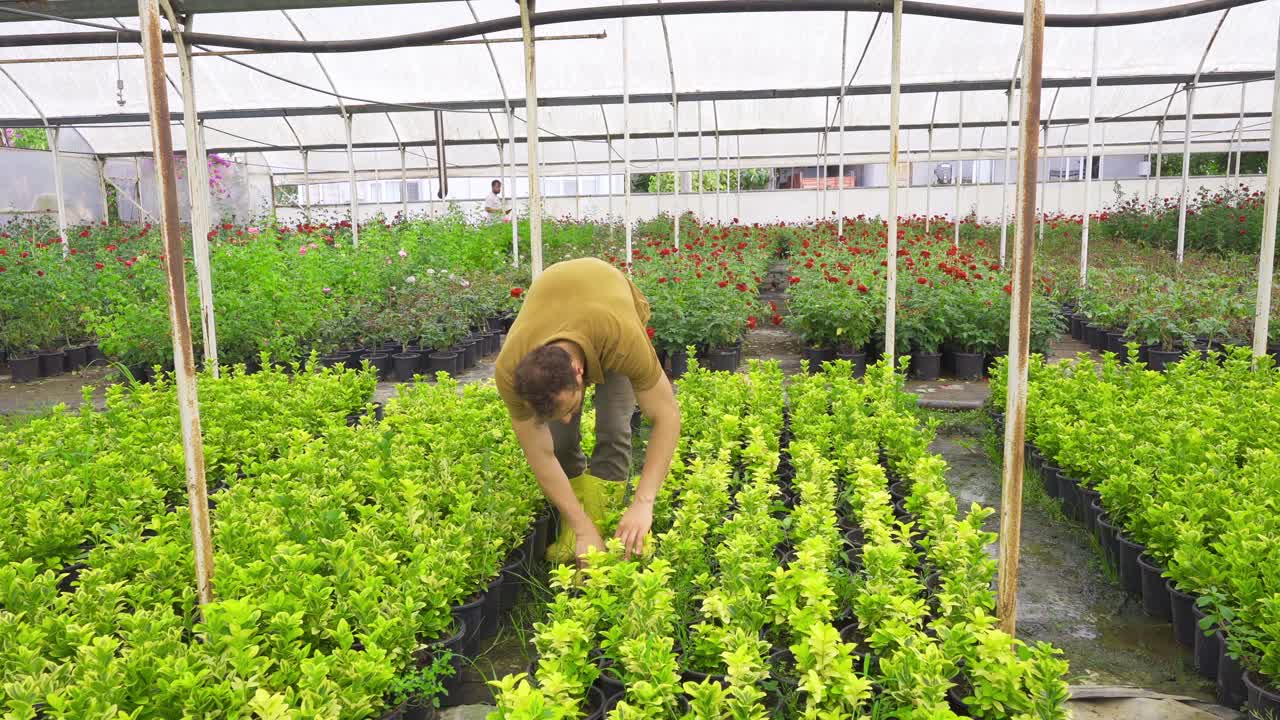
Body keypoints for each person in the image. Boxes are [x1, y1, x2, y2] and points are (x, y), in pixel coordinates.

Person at [495, 257, 680, 563]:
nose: (570, 418)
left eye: (570, 407)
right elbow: (540, 453)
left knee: (613, 427)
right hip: (558, 304)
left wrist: (643, 503)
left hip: (607, 304)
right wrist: (581, 529)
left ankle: (608, 523)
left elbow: (667, 417)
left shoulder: (621, 339)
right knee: (561, 441)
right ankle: (579, 525)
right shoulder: (510, 371)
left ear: (579, 372)